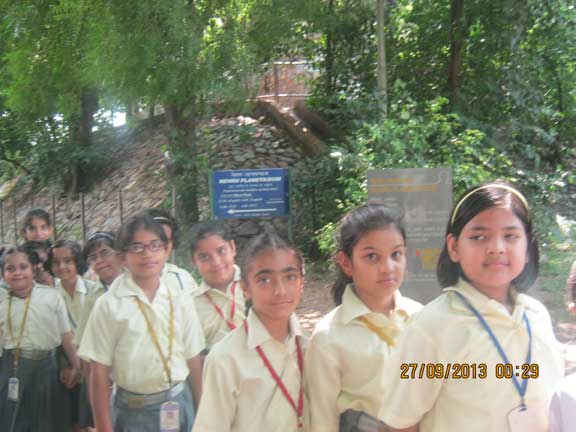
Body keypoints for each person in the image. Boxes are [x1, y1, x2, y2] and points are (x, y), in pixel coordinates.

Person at [379, 181, 564, 432]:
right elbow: (400, 423)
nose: (497, 248)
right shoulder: (432, 328)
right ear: (454, 247)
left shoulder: (537, 315)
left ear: (528, 247)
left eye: (510, 236)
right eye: (479, 237)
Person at [78, 212, 205, 432]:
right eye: (137, 247)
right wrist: (103, 427)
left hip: (179, 403)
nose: (147, 254)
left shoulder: (180, 298)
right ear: (122, 257)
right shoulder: (109, 305)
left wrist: (204, 415)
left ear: (166, 250)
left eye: (155, 245)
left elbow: (193, 360)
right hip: (132, 412)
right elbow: (98, 371)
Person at [305, 204, 422, 432]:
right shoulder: (329, 337)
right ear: (346, 263)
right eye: (372, 257)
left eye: (396, 254)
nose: (387, 267)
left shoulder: (421, 318)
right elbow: (321, 420)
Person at [194, 230, 307, 431]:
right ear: (245, 288)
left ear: (301, 282)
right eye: (264, 280)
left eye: (290, 277)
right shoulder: (225, 358)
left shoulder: (314, 346)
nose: (280, 290)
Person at [0, 245, 80, 432]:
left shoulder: (51, 296)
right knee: (14, 418)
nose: (18, 273)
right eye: (10, 269)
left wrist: (77, 366)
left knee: (47, 419)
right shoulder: (2, 301)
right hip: (13, 365)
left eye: (23, 267)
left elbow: (65, 335)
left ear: (33, 269)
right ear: (3, 274)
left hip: (48, 367)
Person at [47, 239, 100, 432]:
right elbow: (53, 338)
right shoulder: (50, 296)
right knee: (73, 419)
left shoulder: (94, 290)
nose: (62, 267)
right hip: (67, 366)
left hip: (94, 364)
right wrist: (65, 365)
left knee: (94, 419)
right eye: (56, 262)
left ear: (78, 261)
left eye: (68, 261)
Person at [74, 232, 124, 431]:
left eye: (105, 253)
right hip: (106, 383)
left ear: (120, 254)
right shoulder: (94, 297)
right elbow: (85, 350)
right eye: (93, 258)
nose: (99, 261)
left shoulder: (139, 286)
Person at [189, 221, 245, 350]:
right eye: (204, 257)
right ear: (194, 261)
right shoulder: (191, 306)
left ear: (233, 248)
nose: (216, 262)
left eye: (221, 251)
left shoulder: (255, 286)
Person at [145, 208, 198, 295]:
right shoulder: (126, 281)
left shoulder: (183, 279)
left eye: (166, 241)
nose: (162, 247)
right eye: (155, 242)